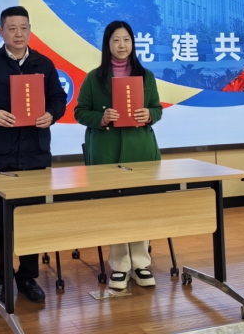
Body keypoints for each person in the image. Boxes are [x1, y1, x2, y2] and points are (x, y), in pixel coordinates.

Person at [0, 6, 67, 303]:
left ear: (30, 30)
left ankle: (28, 277)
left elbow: (59, 99)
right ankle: (2, 278)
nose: (18, 34)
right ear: (1, 31)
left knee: (30, 220)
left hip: (35, 155)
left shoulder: (43, 64)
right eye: (12, 28)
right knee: (0, 223)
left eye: (23, 28)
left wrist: (51, 114)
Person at [74, 20, 163, 290]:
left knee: (140, 206)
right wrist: (102, 118)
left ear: (133, 43)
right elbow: (80, 112)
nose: (122, 45)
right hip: (106, 151)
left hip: (140, 150)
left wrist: (149, 114)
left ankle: (141, 263)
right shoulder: (94, 77)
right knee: (115, 208)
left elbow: (157, 108)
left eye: (126, 40)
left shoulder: (146, 76)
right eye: (116, 40)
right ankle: (120, 266)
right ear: (107, 44)